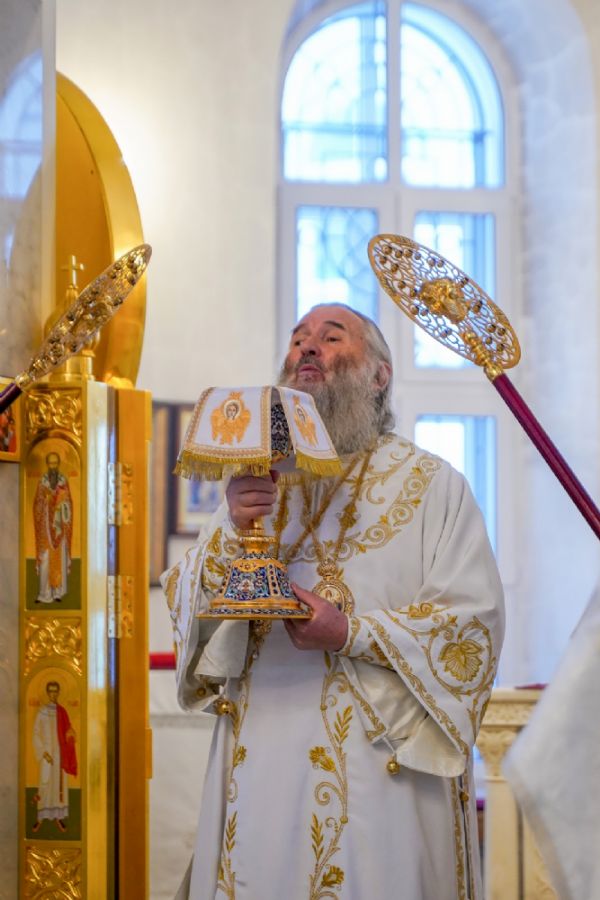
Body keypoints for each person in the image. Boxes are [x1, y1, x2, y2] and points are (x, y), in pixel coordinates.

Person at [162, 303, 505, 900]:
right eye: (299, 339)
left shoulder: (433, 485)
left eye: (331, 336)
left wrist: (350, 633)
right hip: (263, 759)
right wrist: (233, 525)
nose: (307, 347)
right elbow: (190, 601)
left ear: (379, 375)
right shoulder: (260, 482)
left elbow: (471, 627)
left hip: (380, 765)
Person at [32, 681, 77, 833]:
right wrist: (44, 754)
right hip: (46, 754)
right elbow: (35, 733)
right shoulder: (42, 712)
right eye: (50, 691)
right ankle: (40, 818)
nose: (53, 694)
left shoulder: (62, 712)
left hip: (60, 754)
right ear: (47, 692)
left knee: (59, 785)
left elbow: (68, 730)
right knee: (45, 784)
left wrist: (71, 735)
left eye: (55, 691)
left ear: (58, 692)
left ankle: (58, 817)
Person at [33, 451, 73, 603]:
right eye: (51, 463)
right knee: (45, 559)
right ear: (47, 464)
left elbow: (68, 503)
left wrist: (62, 503)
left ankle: (57, 592)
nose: (53, 466)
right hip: (45, 527)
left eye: (55, 463)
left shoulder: (63, 481)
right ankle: (44, 594)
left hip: (59, 527)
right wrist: (46, 501)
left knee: (59, 558)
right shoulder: (42, 482)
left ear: (59, 464)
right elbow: (37, 503)